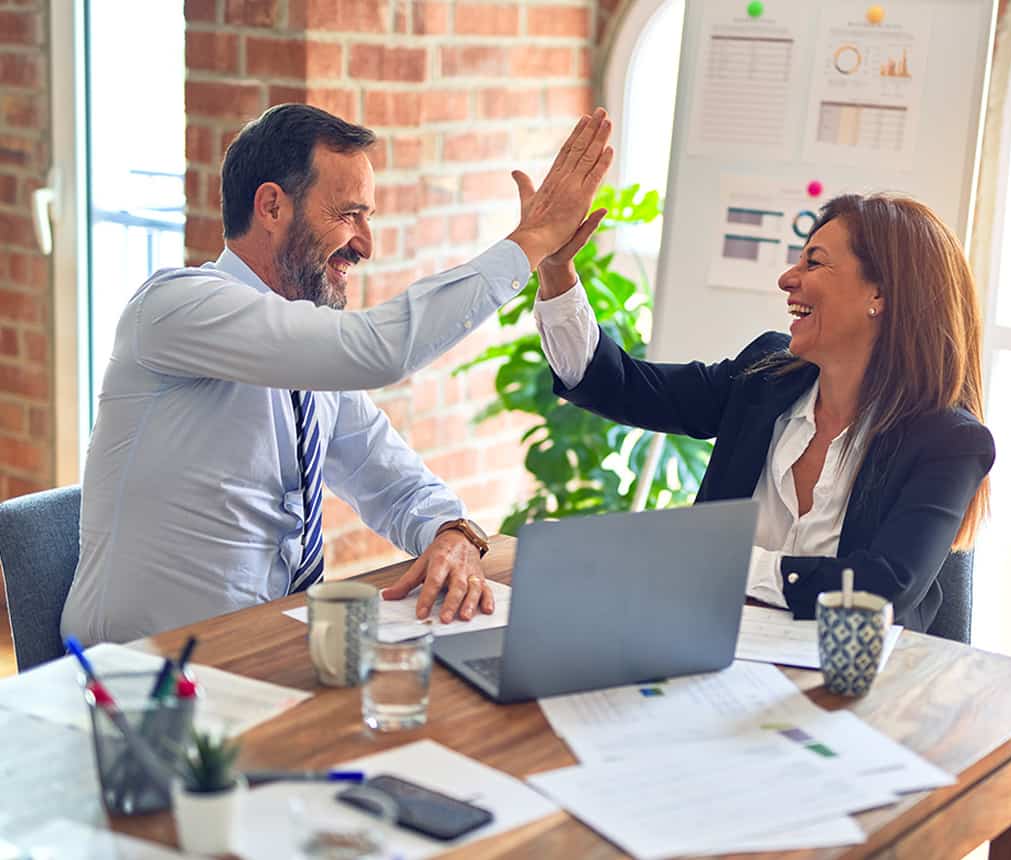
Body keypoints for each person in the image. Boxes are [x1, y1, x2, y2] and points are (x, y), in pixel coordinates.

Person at [61, 103, 613, 645]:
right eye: (349, 214)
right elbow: (379, 350)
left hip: (264, 654)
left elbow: (393, 481)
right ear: (272, 207)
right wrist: (532, 241)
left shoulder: (308, 360)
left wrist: (452, 532)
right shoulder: (176, 308)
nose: (365, 244)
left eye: (367, 217)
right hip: (139, 679)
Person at [532, 193, 994, 632]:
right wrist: (556, 269)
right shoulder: (765, 378)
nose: (787, 279)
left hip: (855, 690)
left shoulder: (949, 442)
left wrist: (721, 561)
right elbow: (620, 386)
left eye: (813, 262)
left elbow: (880, 590)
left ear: (880, 295)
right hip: (709, 652)